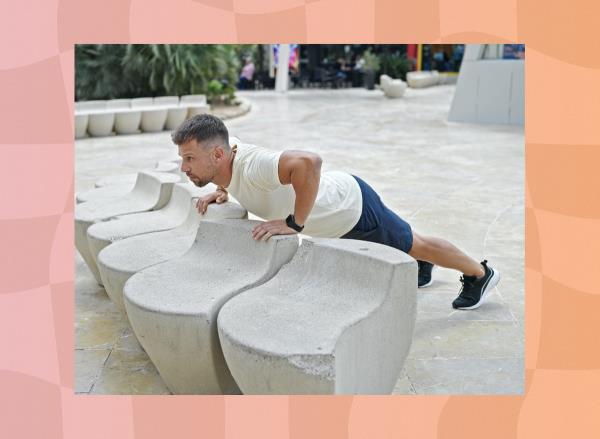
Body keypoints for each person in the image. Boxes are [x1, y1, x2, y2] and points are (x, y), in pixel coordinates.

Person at [172, 114, 500, 310]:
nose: (183, 166)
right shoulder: (224, 155)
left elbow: (308, 162)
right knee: (406, 240)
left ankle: (479, 275)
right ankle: (421, 263)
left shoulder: (254, 164)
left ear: (216, 153)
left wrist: (294, 223)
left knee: (416, 242)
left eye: (189, 158)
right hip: (341, 208)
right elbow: (233, 159)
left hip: (351, 209)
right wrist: (221, 190)